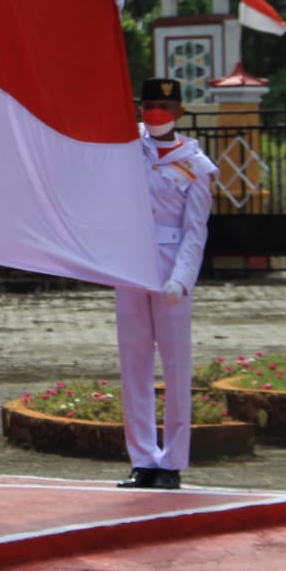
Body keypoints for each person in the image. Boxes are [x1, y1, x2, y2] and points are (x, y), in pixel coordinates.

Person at [115, 77, 219, 491]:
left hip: (172, 266)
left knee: (175, 368)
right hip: (130, 265)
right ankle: (142, 458)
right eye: (148, 104)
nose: (155, 112)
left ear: (178, 112)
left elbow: (196, 231)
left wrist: (182, 279)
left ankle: (172, 461)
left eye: (163, 106)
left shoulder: (196, 165)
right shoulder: (127, 150)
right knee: (134, 366)